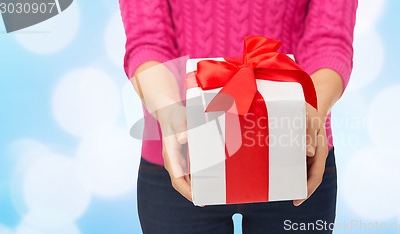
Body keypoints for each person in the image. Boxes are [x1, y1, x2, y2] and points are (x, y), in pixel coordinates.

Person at [119, 0, 357, 233]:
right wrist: (169, 113)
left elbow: (330, 41)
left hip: (295, 152)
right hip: (181, 157)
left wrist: (312, 114)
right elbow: (148, 39)